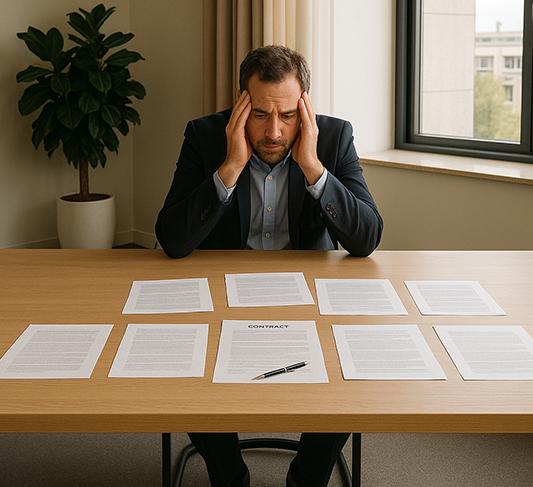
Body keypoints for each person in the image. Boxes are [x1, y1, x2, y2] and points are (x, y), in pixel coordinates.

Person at [155, 45, 383, 487]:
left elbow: (367, 238)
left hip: (309, 294)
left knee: (351, 359)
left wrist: (314, 169)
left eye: (287, 115)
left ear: (305, 108)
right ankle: (228, 474)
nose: (274, 131)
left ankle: (308, 477)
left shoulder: (333, 138)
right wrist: (231, 165)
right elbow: (172, 240)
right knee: (184, 355)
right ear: (242, 104)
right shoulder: (205, 136)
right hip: (222, 292)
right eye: (259, 114)